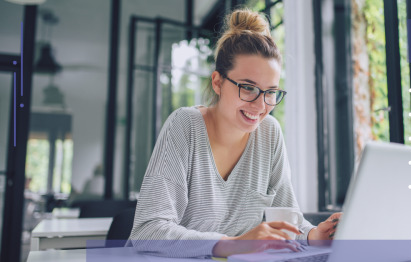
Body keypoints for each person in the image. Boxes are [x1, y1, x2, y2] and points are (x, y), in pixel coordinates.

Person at [128, 8, 341, 258]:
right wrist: (233, 243)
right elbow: (147, 231)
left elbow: (288, 222)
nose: (261, 106)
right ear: (217, 82)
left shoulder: (269, 133)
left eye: (271, 91)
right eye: (248, 88)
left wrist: (314, 235)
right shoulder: (185, 126)